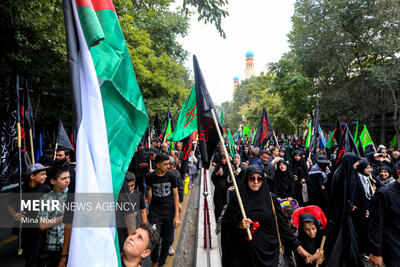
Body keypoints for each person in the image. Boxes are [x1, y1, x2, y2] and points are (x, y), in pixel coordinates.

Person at [221, 165, 310, 267]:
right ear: (246, 179)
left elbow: (282, 225)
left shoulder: (271, 199)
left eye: (259, 178)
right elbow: (227, 224)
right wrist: (239, 225)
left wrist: (298, 247)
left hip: (269, 252)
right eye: (252, 178)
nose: (255, 182)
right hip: (245, 255)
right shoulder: (238, 199)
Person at [8, 163, 51, 267]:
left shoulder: (46, 189)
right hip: (26, 228)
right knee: (30, 255)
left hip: (40, 227)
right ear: (32, 176)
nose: (45, 176)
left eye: (45, 174)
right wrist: (15, 214)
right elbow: (10, 205)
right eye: (42, 174)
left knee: (39, 255)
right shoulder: (21, 190)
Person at [326, 153, 365, 267]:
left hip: (350, 213)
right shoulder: (340, 174)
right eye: (356, 161)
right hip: (341, 214)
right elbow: (338, 196)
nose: (358, 164)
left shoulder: (351, 173)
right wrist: (348, 204)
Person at [145, 153, 180, 267]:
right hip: (155, 212)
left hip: (169, 213)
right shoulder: (150, 177)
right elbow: (149, 191)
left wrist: (177, 216)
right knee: (154, 238)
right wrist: (149, 205)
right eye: (165, 164)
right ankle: (154, 261)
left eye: (168, 164)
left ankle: (161, 262)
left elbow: (175, 196)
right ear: (158, 165)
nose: (168, 166)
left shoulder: (171, 176)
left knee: (167, 239)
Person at [38, 166, 70, 267]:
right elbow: (42, 225)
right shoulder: (46, 198)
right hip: (53, 246)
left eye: (68, 177)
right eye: (63, 178)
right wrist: (64, 217)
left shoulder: (73, 196)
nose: (67, 181)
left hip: (72, 246)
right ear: (53, 181)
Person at [368, 163, 400, 267]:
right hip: (393, 249)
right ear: (399, 173)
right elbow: (376, 223)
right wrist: (375, 251)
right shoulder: (384, 193)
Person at [117, 172, 148, 254]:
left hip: (136, 226)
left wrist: (145, 225)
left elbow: (143, 210)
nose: (130, 188)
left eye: (132, 185)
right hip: (123, 229)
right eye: (128, 186)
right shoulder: (120, 197)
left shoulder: (138, 194)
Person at [211, 154, 230, 219]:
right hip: (219, 188)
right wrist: (217, 173)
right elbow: (212, 176)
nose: (223, 160)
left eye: (224, 159)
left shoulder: (229, 166)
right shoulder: (218, 166)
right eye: (222, 159)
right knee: (218, 204)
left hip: (226, 187)